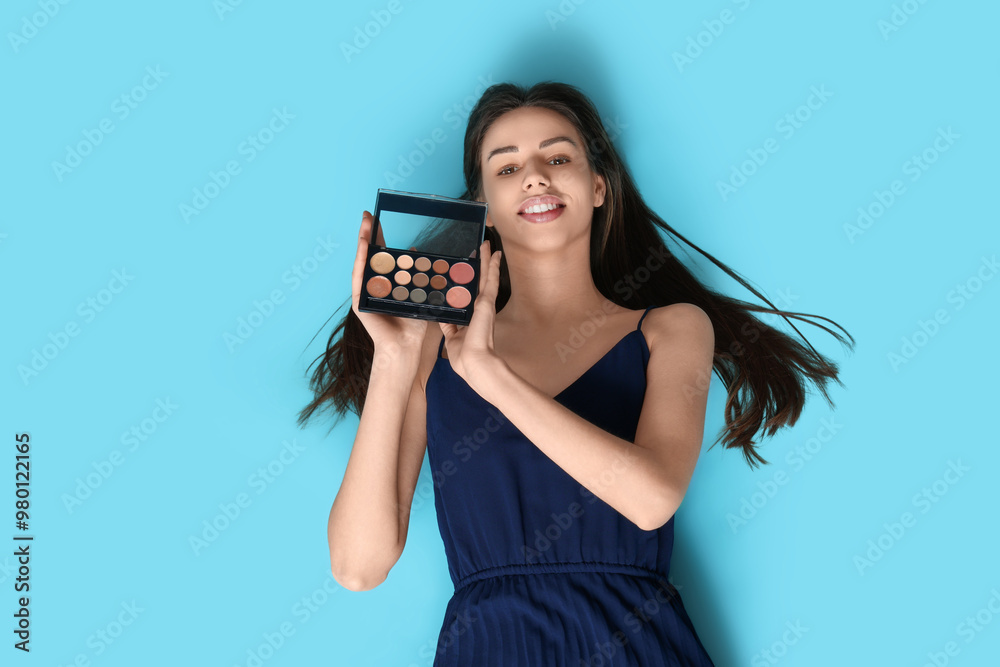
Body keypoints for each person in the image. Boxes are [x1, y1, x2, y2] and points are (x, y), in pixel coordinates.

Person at [300, 81, 854, 665]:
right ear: (481, 204)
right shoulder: (434, 350)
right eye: (507, 167)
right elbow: (358, 567)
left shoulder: (670, 328)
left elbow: (650, 498)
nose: (535, 176)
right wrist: (393, 359)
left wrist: (489, 375)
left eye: (557, 157)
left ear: (597, 187)